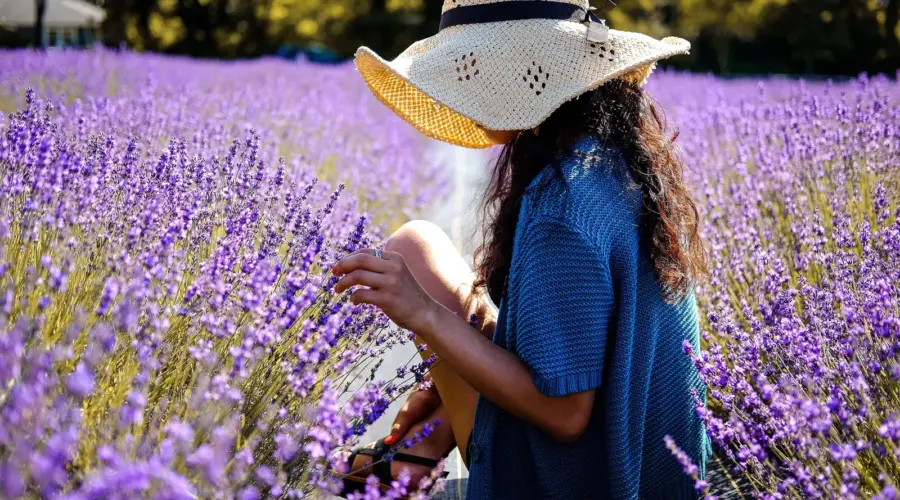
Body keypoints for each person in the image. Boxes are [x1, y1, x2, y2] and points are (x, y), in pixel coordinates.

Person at [332, 0, 712, 498]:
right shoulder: (614, 157)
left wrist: (422, 314)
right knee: (415, 247)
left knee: (414, 272)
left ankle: (420, 452)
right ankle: (427, 444)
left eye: (469, 68)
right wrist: (444, 388)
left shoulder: (563, 205)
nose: (462, 89)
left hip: (585, 481)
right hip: (660, 468)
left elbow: (565, 414)